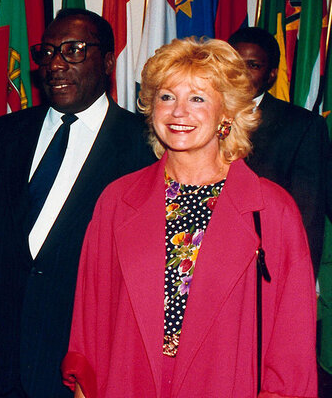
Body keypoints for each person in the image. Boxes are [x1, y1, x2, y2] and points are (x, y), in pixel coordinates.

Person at [62, 38, 317, 397]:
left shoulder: (271, 210)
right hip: (128, 379)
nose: (178, 112)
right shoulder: (118, 200)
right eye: (167, 97)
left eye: (197, 98)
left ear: (226, 113)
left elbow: (292, 338)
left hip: (224, 382)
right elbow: (92, 313)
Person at [0, 9, 155, 398]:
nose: (55, 63)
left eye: (73, 50)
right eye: (48, 52)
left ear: (107, 61)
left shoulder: (145, 147)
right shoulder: (4, 134)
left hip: (87, 365)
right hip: (2, 361)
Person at [228, 26, 330, 274]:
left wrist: (299, 278)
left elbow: (308, 214)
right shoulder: (196, 115)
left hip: (263, 264)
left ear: (271, 75)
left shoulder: (302, 126)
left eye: (252, 65)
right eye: (235, 63)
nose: (240, 74)